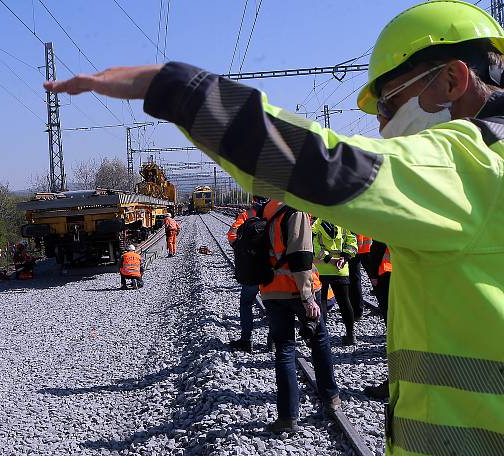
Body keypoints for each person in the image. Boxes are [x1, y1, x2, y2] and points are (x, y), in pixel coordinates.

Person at [45, 3, 504, 449]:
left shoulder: (468, 165)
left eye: (388, 102)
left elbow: (319, 164)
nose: (383, 125)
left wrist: (171, 89)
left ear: (452, 79)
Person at [257, 199, 339, 432]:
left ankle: (287, 418)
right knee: (319, 340)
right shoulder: (296, 210)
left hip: (271, 290)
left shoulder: (269, 207)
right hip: (296, 289)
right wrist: (308, 298)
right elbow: (301, 257)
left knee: (284, 350)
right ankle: (331, 397)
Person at [227, 196, 265, 353]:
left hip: (251, 269)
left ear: (253, 199)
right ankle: (273, 342)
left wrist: (240, 249)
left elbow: (231, 236)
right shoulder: (275, 213)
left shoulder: (245, 215)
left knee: (246, 303)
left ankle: (246, 339)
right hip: (273, 269)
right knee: (274, 306)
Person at [311, 218, 358, 345]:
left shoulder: (317, 224)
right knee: (344, 301)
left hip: (322, 269)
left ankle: (323, 335)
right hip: (340, 269)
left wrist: (329, 259)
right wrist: (345, 258)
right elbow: (352, 242)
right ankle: (351, 335)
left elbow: (314, 245)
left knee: (322, 302)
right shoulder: (343, 222)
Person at [364, 240, 392, 399]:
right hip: (412, 277)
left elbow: (379, 245)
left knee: (397, 330)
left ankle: (395, 383)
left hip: (389, 276)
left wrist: (373, 274)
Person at [347, 233, 374, 319]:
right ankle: (386, 306)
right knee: (376, 278)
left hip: (354, 248)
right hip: (368, 247)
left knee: (354, 280)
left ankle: (357, 312)